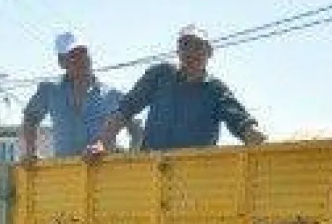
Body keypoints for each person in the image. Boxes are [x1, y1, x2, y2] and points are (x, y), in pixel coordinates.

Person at [102, 25, 265, 152]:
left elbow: (243, 125)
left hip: (193, 176)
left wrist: (262, 142)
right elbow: (126, 108)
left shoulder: (216, 90)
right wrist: (103, 143)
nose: (190, 52)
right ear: (178, 51)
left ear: (209, 52)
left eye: (198, 46)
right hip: (151, 171)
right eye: (185, 45)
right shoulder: (160, 75)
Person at [21, 32, 139, 162]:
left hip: (103, 175)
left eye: (83, 53)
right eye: (73, 55)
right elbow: (30, 118)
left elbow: (137, 132)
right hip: (64, 173)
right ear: (61, 62)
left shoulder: (113, 95)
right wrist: (30, 152)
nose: (81, 59)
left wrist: (129, 162)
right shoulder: (49, 91)